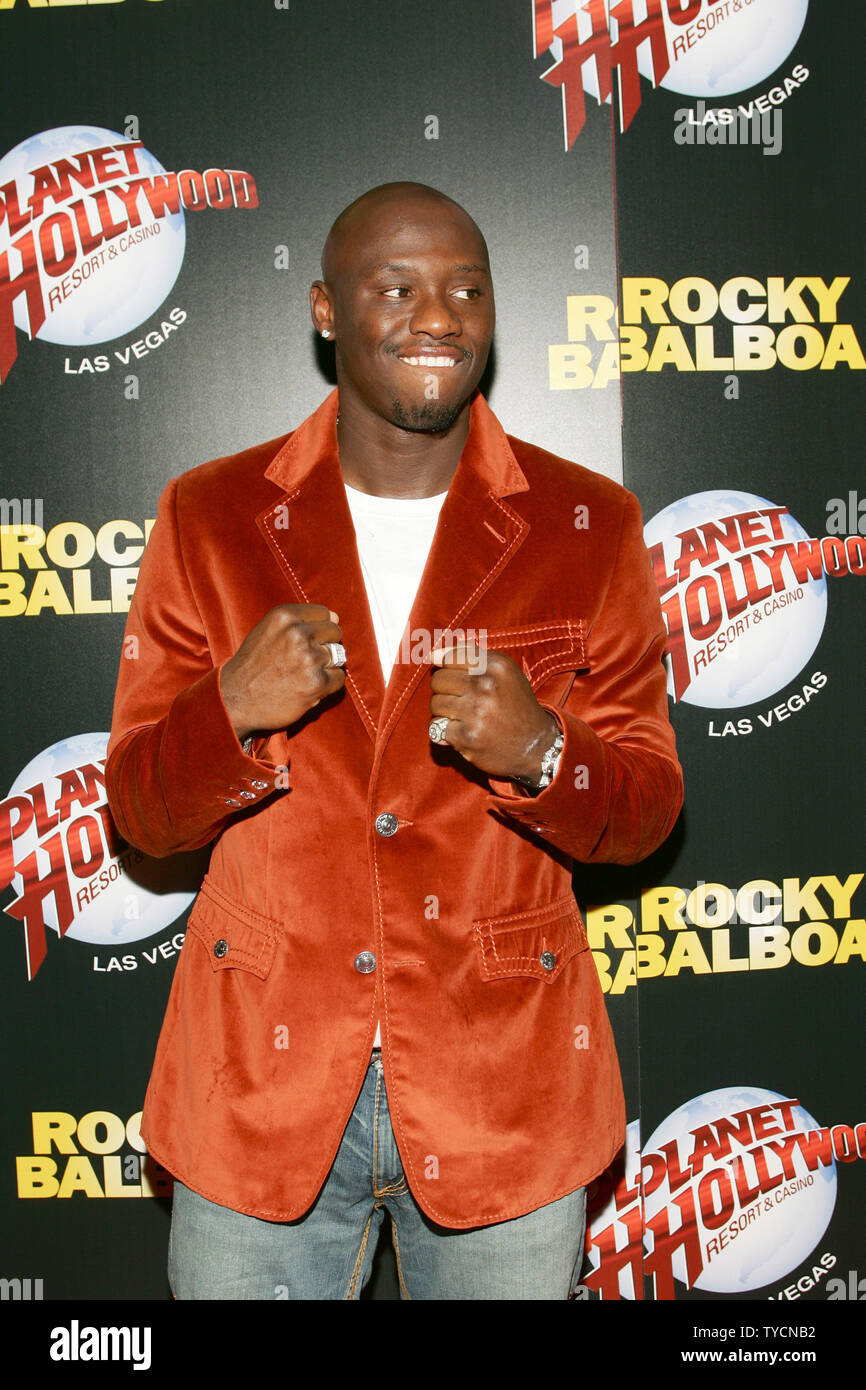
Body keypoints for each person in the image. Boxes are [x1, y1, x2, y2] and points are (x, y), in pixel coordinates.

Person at [106, 181, 683, 1300]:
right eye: (398, 287)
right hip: (255, 1089)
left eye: (467, 289)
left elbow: (649, 805)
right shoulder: (210, 514)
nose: (438, 317)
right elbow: (138, 809)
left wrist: (542, 754)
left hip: (501, 1090)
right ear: (326, 310)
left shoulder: (586, 522)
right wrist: (229, 711)